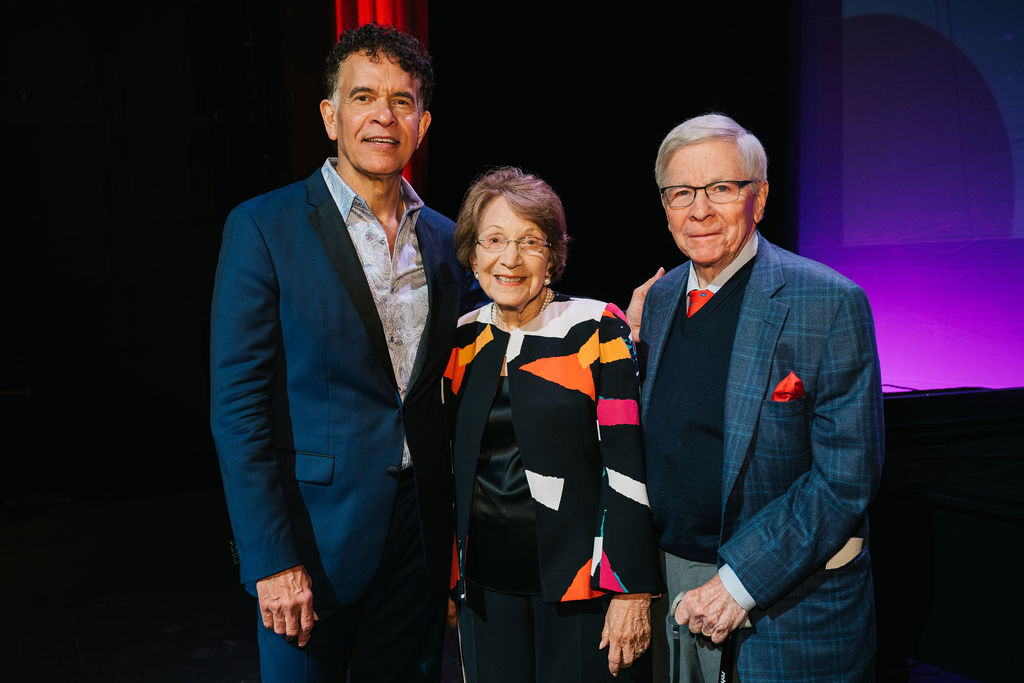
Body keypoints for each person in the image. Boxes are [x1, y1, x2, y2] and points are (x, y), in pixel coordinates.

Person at [209, 23, 481, 682]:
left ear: (423, 123)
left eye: (402, 101)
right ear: (331, 116)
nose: (383, 116)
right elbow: (237, 407)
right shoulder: (264, 227)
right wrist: (270, 559)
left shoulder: (450, 240)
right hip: (311, 545)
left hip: (418, 543)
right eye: (364, 97)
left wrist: (607, 323)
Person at [627, 114, 884, 682]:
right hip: (675, 587)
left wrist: (737, 585)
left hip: (787, 601)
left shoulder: (829, 303)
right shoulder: (662, 298)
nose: (699, 211)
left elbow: (846, 479)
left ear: (759, 198)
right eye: (681, 193)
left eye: (721, 189)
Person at [443, 167, 664, 682]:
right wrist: (448, 580)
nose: (510, 259)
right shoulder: (460, 340)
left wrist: (630, 586)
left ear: (554, 255)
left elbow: (626, 467)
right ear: (473, 253)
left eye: (529, 241)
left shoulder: (595, 327)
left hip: (580, 586)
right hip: (484, 588)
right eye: (494, 240)